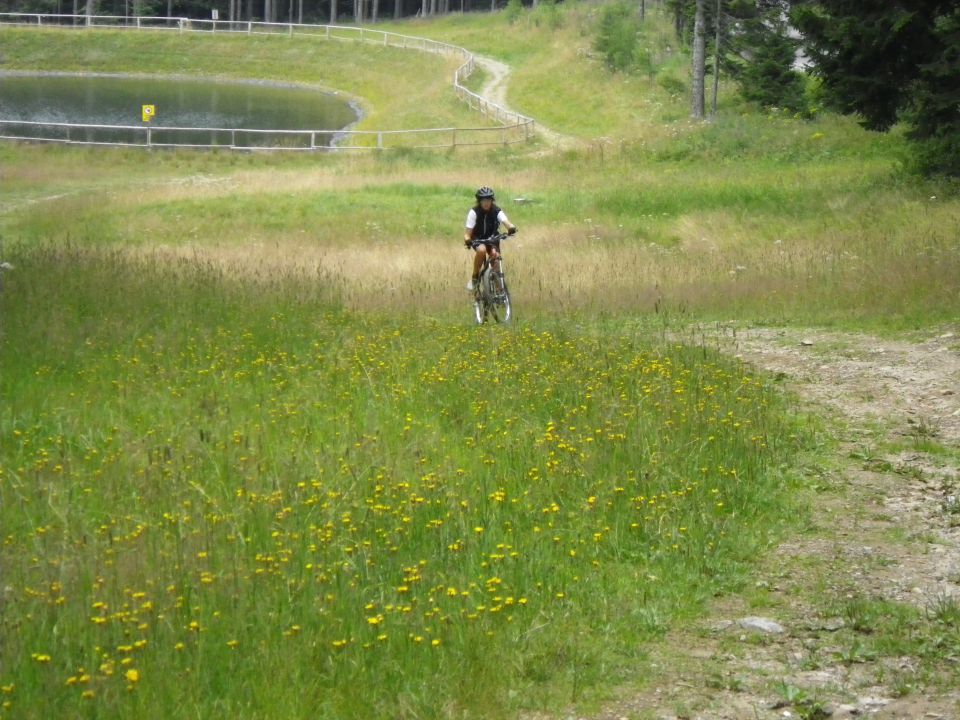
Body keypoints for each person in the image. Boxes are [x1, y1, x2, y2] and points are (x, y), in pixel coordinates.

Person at [464, 186, 517, 292]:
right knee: (481, 250)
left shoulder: (496, 210)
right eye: (483, 200)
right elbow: (467, 233)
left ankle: (499, 290)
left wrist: (511, 228)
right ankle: (475, 277)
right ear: (479, 201)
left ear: (492, 200)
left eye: (488, 200)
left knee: (495, 257)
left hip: (493, 238)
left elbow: (506, 222)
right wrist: (468, 240)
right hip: (478, 239)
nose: (486, 203)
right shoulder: (474, 212)